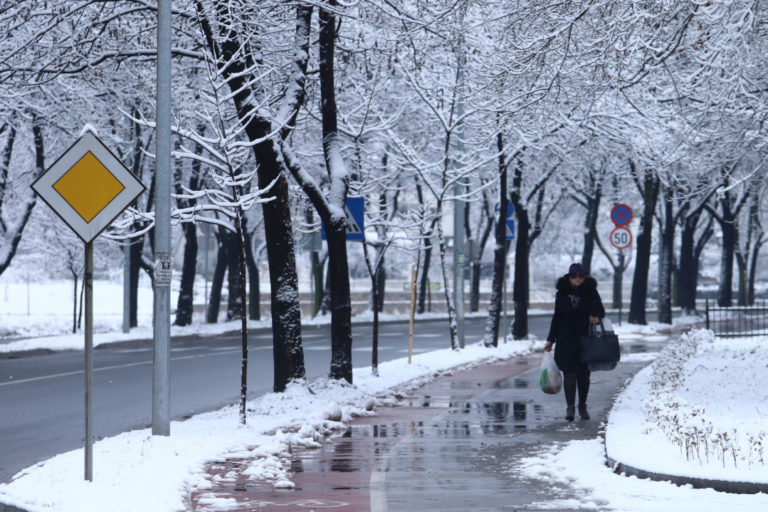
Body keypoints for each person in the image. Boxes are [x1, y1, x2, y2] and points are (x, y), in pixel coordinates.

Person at [544, 263, 605, 421]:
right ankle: (570, 407)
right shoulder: (561, 293)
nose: (577, 279)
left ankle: (582, 406)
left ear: (584, 277)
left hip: (586, 339)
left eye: (580, 276)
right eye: (574, 276)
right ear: (569, 277)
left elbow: (600, 310)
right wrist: (551, 339)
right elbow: (557, 317)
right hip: (565, 339)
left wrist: (596, 317)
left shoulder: (591, 292)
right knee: (569, 374)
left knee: (584, 375)